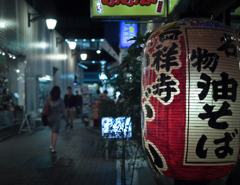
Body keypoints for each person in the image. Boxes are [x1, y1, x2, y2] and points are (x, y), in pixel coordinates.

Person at [45, 86, 66, 154]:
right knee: (55, 132)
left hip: (49, 117)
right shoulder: (60, 100)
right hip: (57, 117)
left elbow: (45, 106)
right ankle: (53, 149)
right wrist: (65, 118)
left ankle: (51, 145)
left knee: (52, 131)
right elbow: (63, 110)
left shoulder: (48, 99)